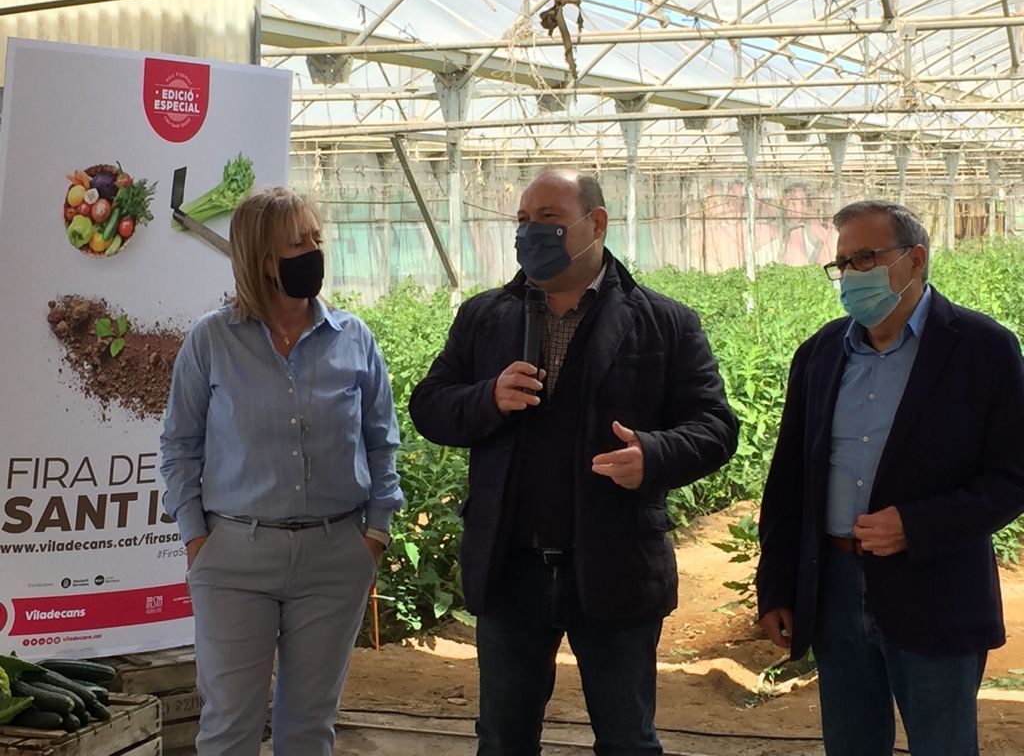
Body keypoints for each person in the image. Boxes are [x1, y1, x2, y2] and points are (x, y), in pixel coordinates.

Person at [409, 168, 738, 754]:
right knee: (504, 738)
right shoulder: (486, 317)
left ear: (596, 225)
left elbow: (715, 427)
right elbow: (430, 407)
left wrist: (654, 454)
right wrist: (486, 398)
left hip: (615, 565)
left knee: (626, 738)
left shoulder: (663, 322)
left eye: (550, 221)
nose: (530, 234)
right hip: (512, 569)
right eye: (523, 222)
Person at [756, 200, 1024, 755]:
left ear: (914, 259)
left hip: (935, 589)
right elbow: (789, 481)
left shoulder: (983, 349)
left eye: (866, 258)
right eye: (843, 264)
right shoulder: (820, 353)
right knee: (851, 743)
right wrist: (777, 584)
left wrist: (917, 525)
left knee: (942, 743)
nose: (852, 274)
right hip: (833, 585)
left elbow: (1012, 476)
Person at [160, 187, 403, 755]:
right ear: (261, 258)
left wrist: (375, 533)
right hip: (235, 558)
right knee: (229, 727)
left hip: (333, 555)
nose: (313, 252)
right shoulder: (212, 340)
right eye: (298, 243)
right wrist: (197, 538)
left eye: (316, 239)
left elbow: (381, 443)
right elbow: (179, 445)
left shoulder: (354, 339)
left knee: (308, 729)